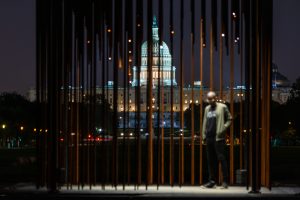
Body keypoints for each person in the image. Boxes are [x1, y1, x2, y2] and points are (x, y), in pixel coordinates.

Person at [202, 91, 232, 189]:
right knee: (210, 160)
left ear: (216, 97)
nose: (211, 100)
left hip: (218, 137)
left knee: (221, 159)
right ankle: (212, 181)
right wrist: (203, 135)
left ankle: (225, 181)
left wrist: (223, 128)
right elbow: (205, 122)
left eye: (213, 98)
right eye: (209, 99)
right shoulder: (207, 108)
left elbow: (230, 118)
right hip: (209, 137)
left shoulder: (222, 107)